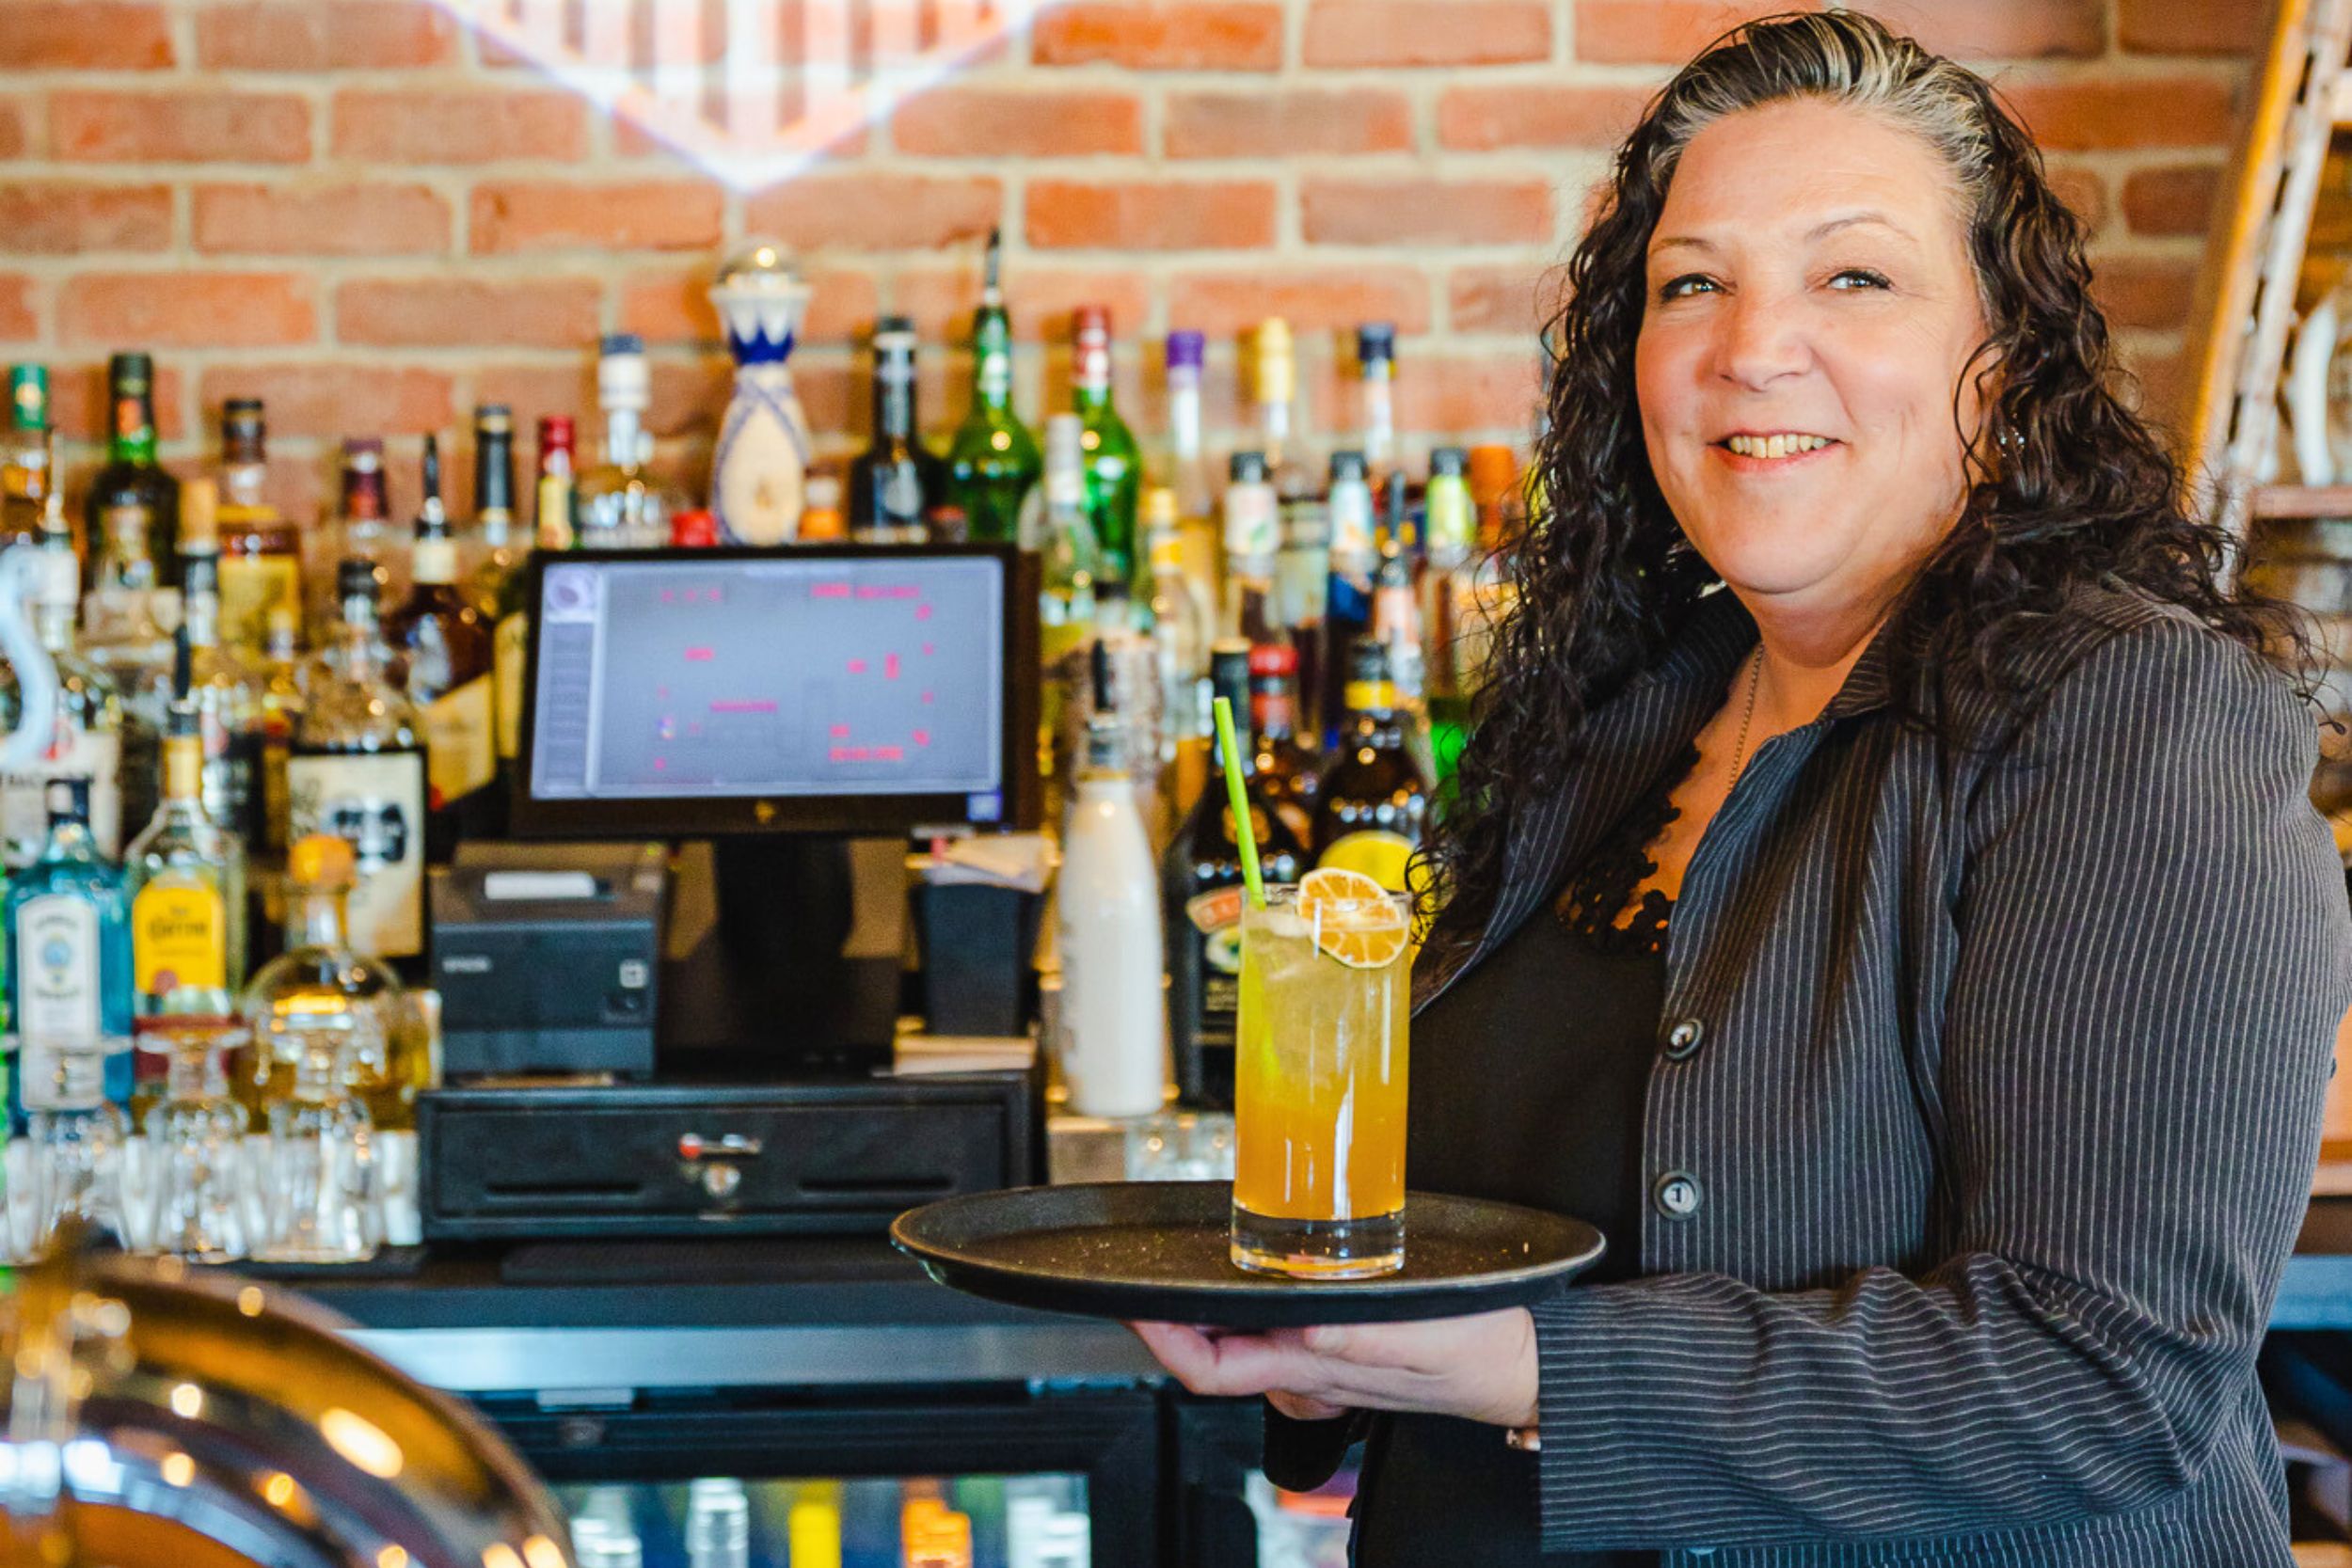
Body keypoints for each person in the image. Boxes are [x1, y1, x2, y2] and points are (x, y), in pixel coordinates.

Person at [1130, 11, 2352, 1564]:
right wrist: (1312, 1365)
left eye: (1855, 276)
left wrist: (1530, 1373)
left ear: (2007, 353)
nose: (1749, 347)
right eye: (1691, 282)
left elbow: (2107, 1378)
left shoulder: (2135, 721)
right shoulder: (1616, 717)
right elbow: (1465, 1215)